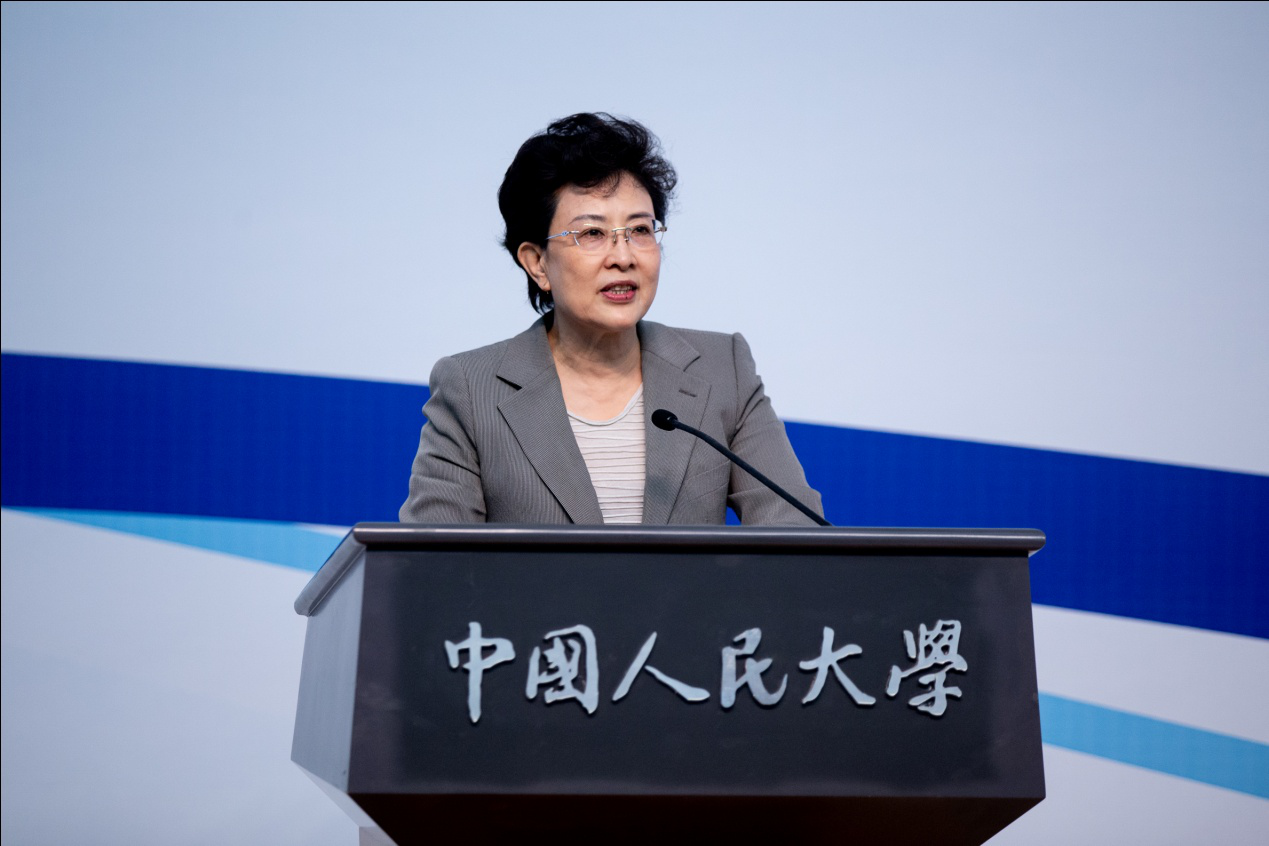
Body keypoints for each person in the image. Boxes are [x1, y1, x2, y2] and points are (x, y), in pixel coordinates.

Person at [399, 113, 822, 526]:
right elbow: (433, 560)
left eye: (640, 230)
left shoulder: (723, 368)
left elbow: (796, 535)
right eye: (592, 234)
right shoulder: (470, 390)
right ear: (537, 263)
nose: (623, 257)